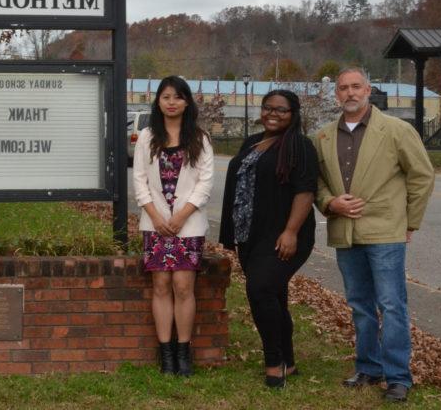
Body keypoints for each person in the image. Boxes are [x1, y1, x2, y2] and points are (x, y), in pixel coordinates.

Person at [314, 67, 434, 403]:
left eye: (356, 87)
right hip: (345, 230)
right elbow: (316, 182)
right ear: (335, 95)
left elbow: (421, 175)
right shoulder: (322, 136)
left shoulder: (396, 130)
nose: (349, 93)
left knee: (391, 304)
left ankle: (398, 377)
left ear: (368, 89)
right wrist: (330, 202)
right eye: (342, 88)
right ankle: (368, 366)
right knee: (359, 305)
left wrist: (408, 222)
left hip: (384, 230)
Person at [220, 90, 318, 388]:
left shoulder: (300, 146)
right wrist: (234, 234)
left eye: (281, 110)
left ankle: (274, 361)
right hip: (251, 235)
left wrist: (290, 232)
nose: (272, 114)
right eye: (267, 108)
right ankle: (289, 360)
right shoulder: (252, 142)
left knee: (260, 291)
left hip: (284, 236)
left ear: (294, 114)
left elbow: (305, 191)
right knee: (274, 296)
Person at [132, 75, 214, 376]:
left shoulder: (200, 138)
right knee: (161, 285)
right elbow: (139, 181)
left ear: (187, 101)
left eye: (177, 97)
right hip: (154, 223)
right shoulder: (147, 137)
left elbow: (205, 184)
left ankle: (184, 351)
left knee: (183, 286)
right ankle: (165, 353)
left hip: (188, 223)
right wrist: (155, 217)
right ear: (158, 101)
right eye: (165, 97)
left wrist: (181, 216)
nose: (171, 102)